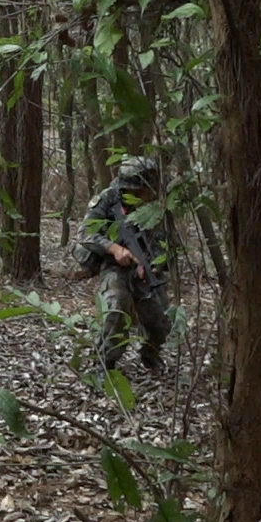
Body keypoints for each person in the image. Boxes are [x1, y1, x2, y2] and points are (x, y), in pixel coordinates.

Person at [72, 156, 171, 371]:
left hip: (144, 267)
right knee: (116, 308)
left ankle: (150, 354)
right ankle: (103, 364)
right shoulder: (108, 199)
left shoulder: (156, 205)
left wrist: (155, 265)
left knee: (162, 317)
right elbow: (85, 233)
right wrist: (114, 248)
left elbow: (163, 240)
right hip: (113, 265)